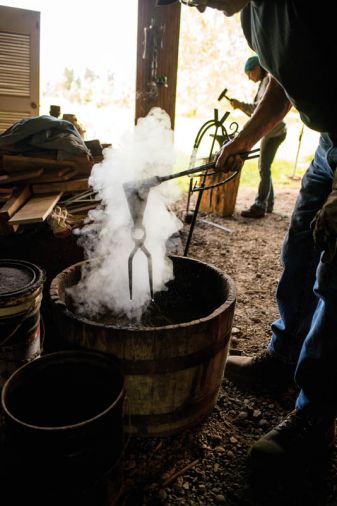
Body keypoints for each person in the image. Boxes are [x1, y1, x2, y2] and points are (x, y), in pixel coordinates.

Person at [158, 0, 337, 468]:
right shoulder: (251, 17)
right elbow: (281, 86)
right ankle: (283, 359)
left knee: (336, 272)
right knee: (299, 248)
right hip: (329, 142)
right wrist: (242, 141)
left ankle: (316, 414)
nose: (194, 6)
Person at [229, 55, 287, 218]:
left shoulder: (268, 81)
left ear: (256, 69)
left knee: (264, 167)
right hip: (272, 131)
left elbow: (259, 111)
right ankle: (269, 203)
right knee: (265, 167)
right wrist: (241, 106)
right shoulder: (264, 82)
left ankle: (260, 206)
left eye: (249, 73)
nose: (249, 78)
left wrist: (241, 105)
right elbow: (257, 111)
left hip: (274, 133)